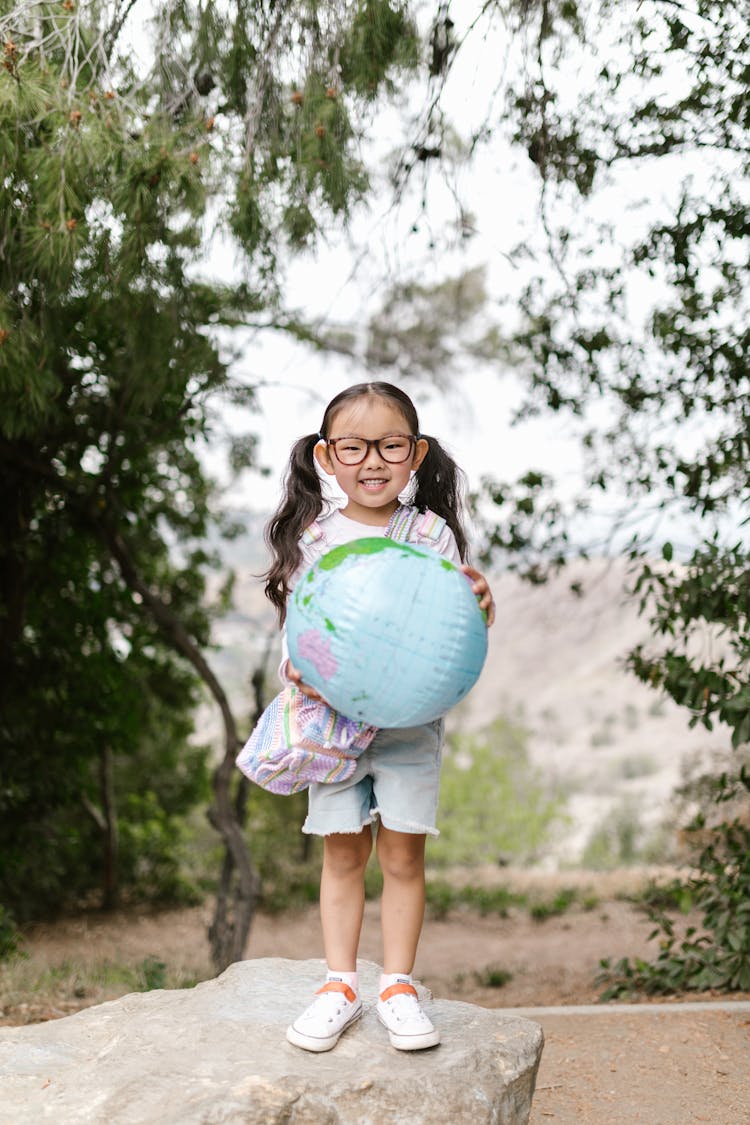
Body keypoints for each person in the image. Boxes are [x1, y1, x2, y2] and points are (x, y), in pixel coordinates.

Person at [263, 381, 495, 1053]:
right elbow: (302, 628)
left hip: (409, 724)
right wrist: (299, 666)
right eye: (354, 447)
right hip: (332, 723)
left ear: (415, 453)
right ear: (326, 457)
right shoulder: (315, 536)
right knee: (341, 852)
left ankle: (397, 984)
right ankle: (339, 983)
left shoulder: (430, 533)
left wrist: (482, 604)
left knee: (402, 854)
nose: (373, 461)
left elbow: (454, 629)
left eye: (391, 446)